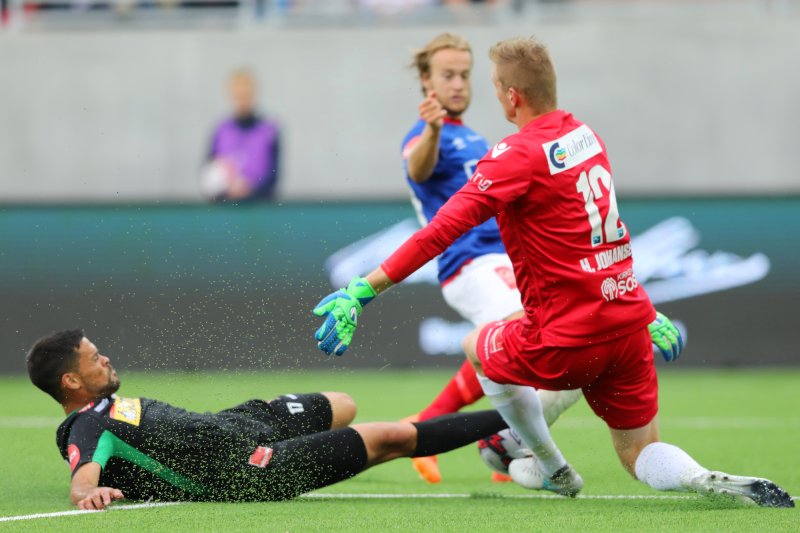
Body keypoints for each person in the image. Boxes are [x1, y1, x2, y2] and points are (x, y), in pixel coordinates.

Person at [312, 37, 794, 507]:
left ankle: (546, 462)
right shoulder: (586, 137)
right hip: (625, 325)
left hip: (567, 337)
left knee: (475, 347)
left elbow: (439, 233)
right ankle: (694, 476)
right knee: (638, 453)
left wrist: (363, 290)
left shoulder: (513, 155)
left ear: (511, 95)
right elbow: (613, 236)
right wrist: (646, 311)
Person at [27, 330, 510, 509]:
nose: (106, 358)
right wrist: (90, 494)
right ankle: (519, 419)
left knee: (342, 403)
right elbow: (81, 481)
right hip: (248, 468)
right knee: (391, 437)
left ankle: (352, 445)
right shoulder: (84, 426)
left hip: (236, 425)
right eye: (94, 358)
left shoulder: (102, 409)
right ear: (71, 381)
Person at [399, 32, 581, 484]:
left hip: (502, 261)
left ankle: (425, 430)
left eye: (464, 75)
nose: (458, 84)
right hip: (468, 264)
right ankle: (511, 445)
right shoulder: (423, 135)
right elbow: (418, 169)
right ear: (427, 81)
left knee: (502, 345)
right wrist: (433, 130)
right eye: (447, 75)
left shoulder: (478, 139)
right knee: (536, 339)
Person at [203, 70, 280, 201]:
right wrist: (226, 192)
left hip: (259, 207)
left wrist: (251, 190)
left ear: (254, 95)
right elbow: (207, 175)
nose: (242, 100)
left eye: (246, 95)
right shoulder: (221, 131)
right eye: (238, 95)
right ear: (231, 95)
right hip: (226, 207)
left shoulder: (268, 131)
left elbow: (273, 176)